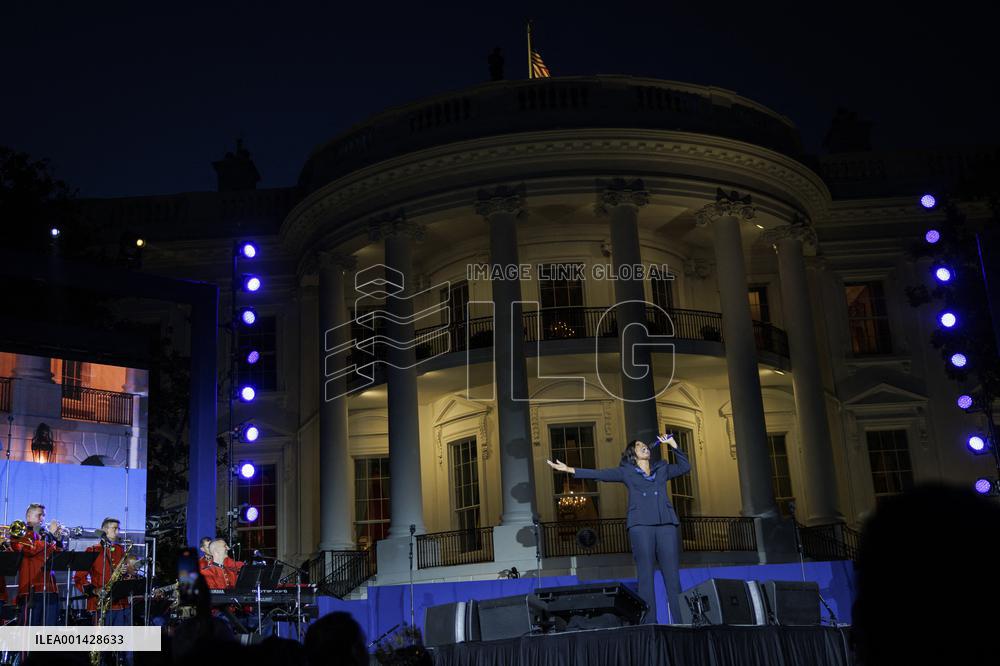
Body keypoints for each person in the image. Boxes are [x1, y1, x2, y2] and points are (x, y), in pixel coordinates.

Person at [546, 433, 690, 623]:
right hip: (641, 526)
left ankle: (684, 624)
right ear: (633, 453)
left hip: (666, 525)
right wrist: (569, 469)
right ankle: (649, 625)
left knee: (672, 578)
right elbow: (600, 474)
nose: (645, 446)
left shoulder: (662, 468)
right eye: (639, 445)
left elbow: (684, 467)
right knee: (645, 578)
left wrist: (673, 445)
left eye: (645, 444)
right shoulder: (626, 471)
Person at [10, 503, 62, 625]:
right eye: (39, 515)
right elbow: (30, 550)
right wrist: (49, 536)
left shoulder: (44, 535)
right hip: (31, 588)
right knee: (30, 630)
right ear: (28, 517)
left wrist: (58, 541)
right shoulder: (19, 532)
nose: (42, 519)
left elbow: (58, 556)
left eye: (43, 515)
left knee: (50, 630)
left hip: (51, 587)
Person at [74, 518, 132, 625]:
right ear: (105, 529)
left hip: (121, 604)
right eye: (115, 528)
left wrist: (126, 572)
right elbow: (78, 578)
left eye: (119, 528)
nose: (118, 532)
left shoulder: (120, 549)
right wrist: (94, 591)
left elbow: (130, 574)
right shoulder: (92, 550)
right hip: (100, 604)